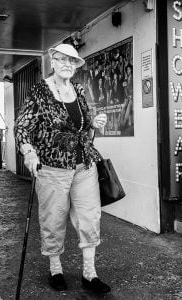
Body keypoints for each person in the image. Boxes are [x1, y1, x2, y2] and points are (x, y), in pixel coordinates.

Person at [14, 43, 111, 294]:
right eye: (63, 60)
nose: (67, 65)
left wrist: (95, 122)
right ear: (53, 62)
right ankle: (55, 269)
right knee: (53, 220)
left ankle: (90, 274)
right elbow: (22, 127)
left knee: (90, 218)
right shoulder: (40, 91)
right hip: (52, 168)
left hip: (83, 165)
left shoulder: (78, 89)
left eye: (72, 61)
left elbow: (84, 123)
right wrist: (30, 153)